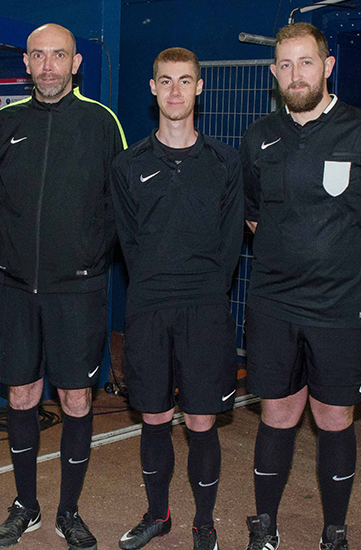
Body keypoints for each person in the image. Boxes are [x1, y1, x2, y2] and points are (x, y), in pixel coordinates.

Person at [239, 23, 361, 550]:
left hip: (344, 310)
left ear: (328, 65)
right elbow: (254, 219)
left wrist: (349, 268)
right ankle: (264, 526)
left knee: (333, 416)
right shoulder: (258, 137)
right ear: (274, 73)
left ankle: (333, 531)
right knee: (278, 415)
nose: (297, 75)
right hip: (274, 306)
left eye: (306, 62)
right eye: (286, 65)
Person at [0, 23, 126, 550]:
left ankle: (69, 510)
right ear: (26, 63)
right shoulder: (4, 124)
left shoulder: (100, 122)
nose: (49, 65)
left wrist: (92, 260)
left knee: (75, 398)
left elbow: (118, 204)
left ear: (76, 64)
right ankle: (26, 505)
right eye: (39, 56)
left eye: (59, 56)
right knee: (21, 395)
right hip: (17, 289)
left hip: (78, 293)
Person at [110, 48, 242, 550]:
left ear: (199, 88)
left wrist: (204, 290)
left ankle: (203, 520)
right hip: (149, 308)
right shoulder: (129, 165)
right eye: (165, 81)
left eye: (185, 81)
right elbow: (128, 241)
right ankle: (157, 513)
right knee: (155, 416)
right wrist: (157, 289)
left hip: (206, 308)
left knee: (203, 419)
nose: (174, 91)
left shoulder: (225, 162)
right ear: (152, 88)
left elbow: (231, 245)